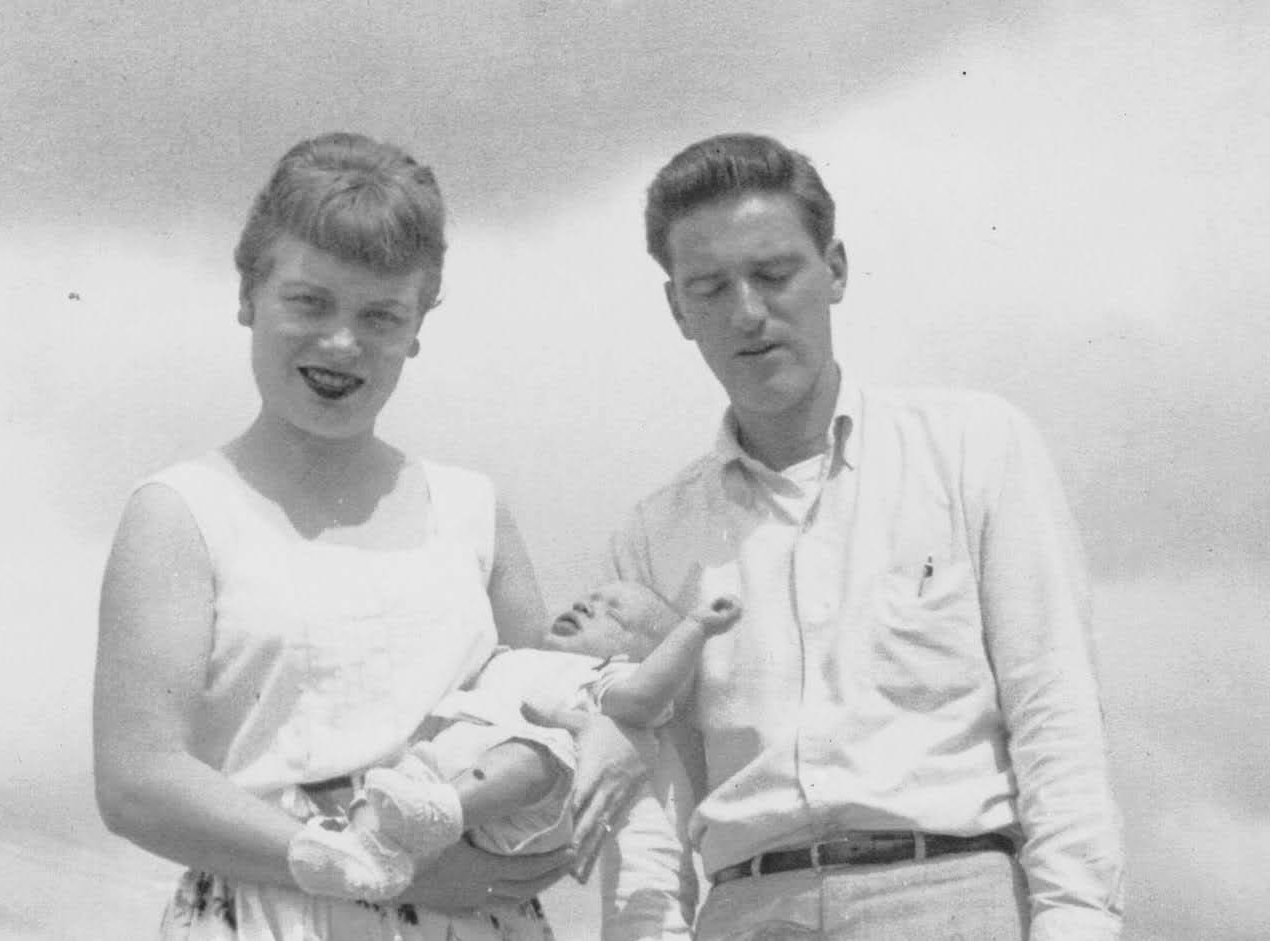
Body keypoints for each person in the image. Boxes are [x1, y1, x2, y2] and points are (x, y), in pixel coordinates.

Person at [92, 132, 628, 940]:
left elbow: (553, 730)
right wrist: (347, 858)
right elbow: (137, 780)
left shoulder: (474, 510)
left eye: (381, 314)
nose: (342, 342)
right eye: (309, 301)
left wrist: (497, 858)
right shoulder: (181, 511)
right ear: (248, 294)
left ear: (418, 326)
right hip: (266, 910)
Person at [607, 133, 1125, 940]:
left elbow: (1055, 713)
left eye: (774, 274)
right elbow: (650, 792)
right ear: (677, 307)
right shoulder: (653, 534)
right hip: (746, 908)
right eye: (709, 287)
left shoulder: (975, 447)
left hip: (952, 894)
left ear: (836, 269)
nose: (747, 312)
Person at [282, 582, 740, 901]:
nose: (588, 605)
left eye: (613, 612)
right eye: (588, 598)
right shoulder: (509, 660)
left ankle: (442, 812)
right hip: (440, 778)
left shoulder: (599, 677)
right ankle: (362, 848)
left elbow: (644, 698)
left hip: (517, 806)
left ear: (635, 656)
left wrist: (695, 629)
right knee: (389, 775)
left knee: (539, 752)